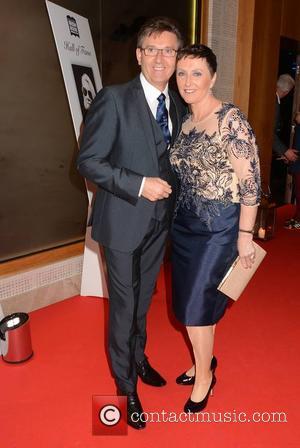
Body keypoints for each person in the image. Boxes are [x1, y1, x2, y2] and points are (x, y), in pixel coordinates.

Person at [77, 17, 186, 429]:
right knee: (124, 307)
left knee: (144, 302)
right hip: (122, 221)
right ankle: (125, 389)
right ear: (139, 55)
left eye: (169, 50)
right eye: (153, 49)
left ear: (177, 57)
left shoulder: (176, 103)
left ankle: (139, 359)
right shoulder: (113, 98)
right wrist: (138, 185)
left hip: (160, 224)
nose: (161, 57)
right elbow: (88, 162)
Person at [169, 44, 261, 413]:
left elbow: (251, 181)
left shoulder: (230, 119)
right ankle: (203, 361)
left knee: (193, 308)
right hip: (184, 225)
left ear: (213, 77)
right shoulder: (186, 121)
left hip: (218, 229)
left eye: (196, 73)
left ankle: (205, 376)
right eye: (181, 73)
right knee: (198, 305)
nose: (187, 81)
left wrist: (244, 237)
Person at [273, 74, 296, 163]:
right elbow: (269, 132)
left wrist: (282, 152)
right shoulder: (274, 103)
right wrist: (285, 151)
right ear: (286, 92)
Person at [285, 111, 300, 229]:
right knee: (297, 193)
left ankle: (298, 220)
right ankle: (297, 218)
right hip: (297, 163)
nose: (296, 114)